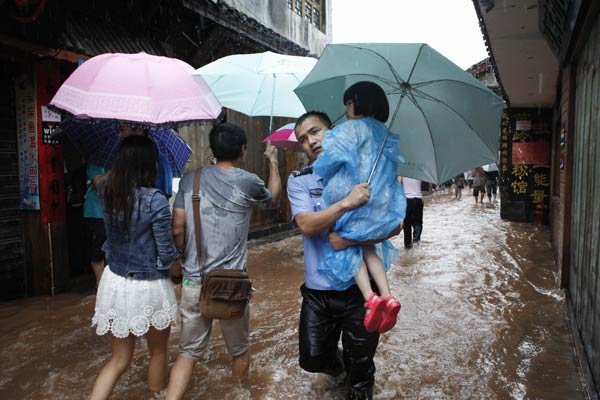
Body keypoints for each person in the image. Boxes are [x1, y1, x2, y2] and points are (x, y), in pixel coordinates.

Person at [289, 110, 402, 400]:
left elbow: (393, 226)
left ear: (334, 130)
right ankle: (339, 370)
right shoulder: (300, 180)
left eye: (315, 131)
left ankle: (356, 378)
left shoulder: (366, 172)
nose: (310, 141)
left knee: (361, 372)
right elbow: (306, 224)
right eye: (303, 139)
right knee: (312, 358)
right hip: (319, 292)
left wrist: (350, 237)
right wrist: (346, 203)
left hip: (360, 292)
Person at [165, 123, 281, 399]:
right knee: (239, 351)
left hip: (194, 280)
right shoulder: (248, 181)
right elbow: (274, 199)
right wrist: (273, 162)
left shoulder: (190, 179)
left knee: (187, 353)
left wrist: (185, 258)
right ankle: (240, 393)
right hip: (232, 285)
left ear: (212, 149)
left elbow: (177, 228)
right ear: (242, 150)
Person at [90, 135, 180, 400]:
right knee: (158, 352)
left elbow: (100, 179)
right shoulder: (155, 200)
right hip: (149, 286)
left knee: (119, 359)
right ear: (149, 165)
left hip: (114, 281)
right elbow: (165, 254)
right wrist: (178, 269)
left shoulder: (106, 189)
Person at [311, 82, 405, 334]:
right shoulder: (384, 133)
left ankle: (370, 298)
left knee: (346, 245)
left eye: (349, 104)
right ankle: (388, 295)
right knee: (368, 247)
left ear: (358, 102)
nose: (347, 109)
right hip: (379, 203)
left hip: (352, 199)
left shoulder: (350, 129)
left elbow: (328, 160)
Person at [117, 125, 173, 198]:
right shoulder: (120, 157)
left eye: (122, 130)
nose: (119, 135)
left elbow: (163, 196)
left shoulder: (160, 160)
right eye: (118, 131)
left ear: (139, 130)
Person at [83, 163, 107, 288]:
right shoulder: (95, 162)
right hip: (96, 212)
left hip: (114, 211)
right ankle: (100, 282)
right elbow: (98, 182)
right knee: (98, 247)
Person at [400, 177, 423, 248]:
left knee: (407, 225)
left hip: (406, 199)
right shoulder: (421, 169)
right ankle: (416, 242)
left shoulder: (403, 170)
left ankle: (408, 246)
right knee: (418, 223)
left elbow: (399, 182)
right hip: (418, 198)